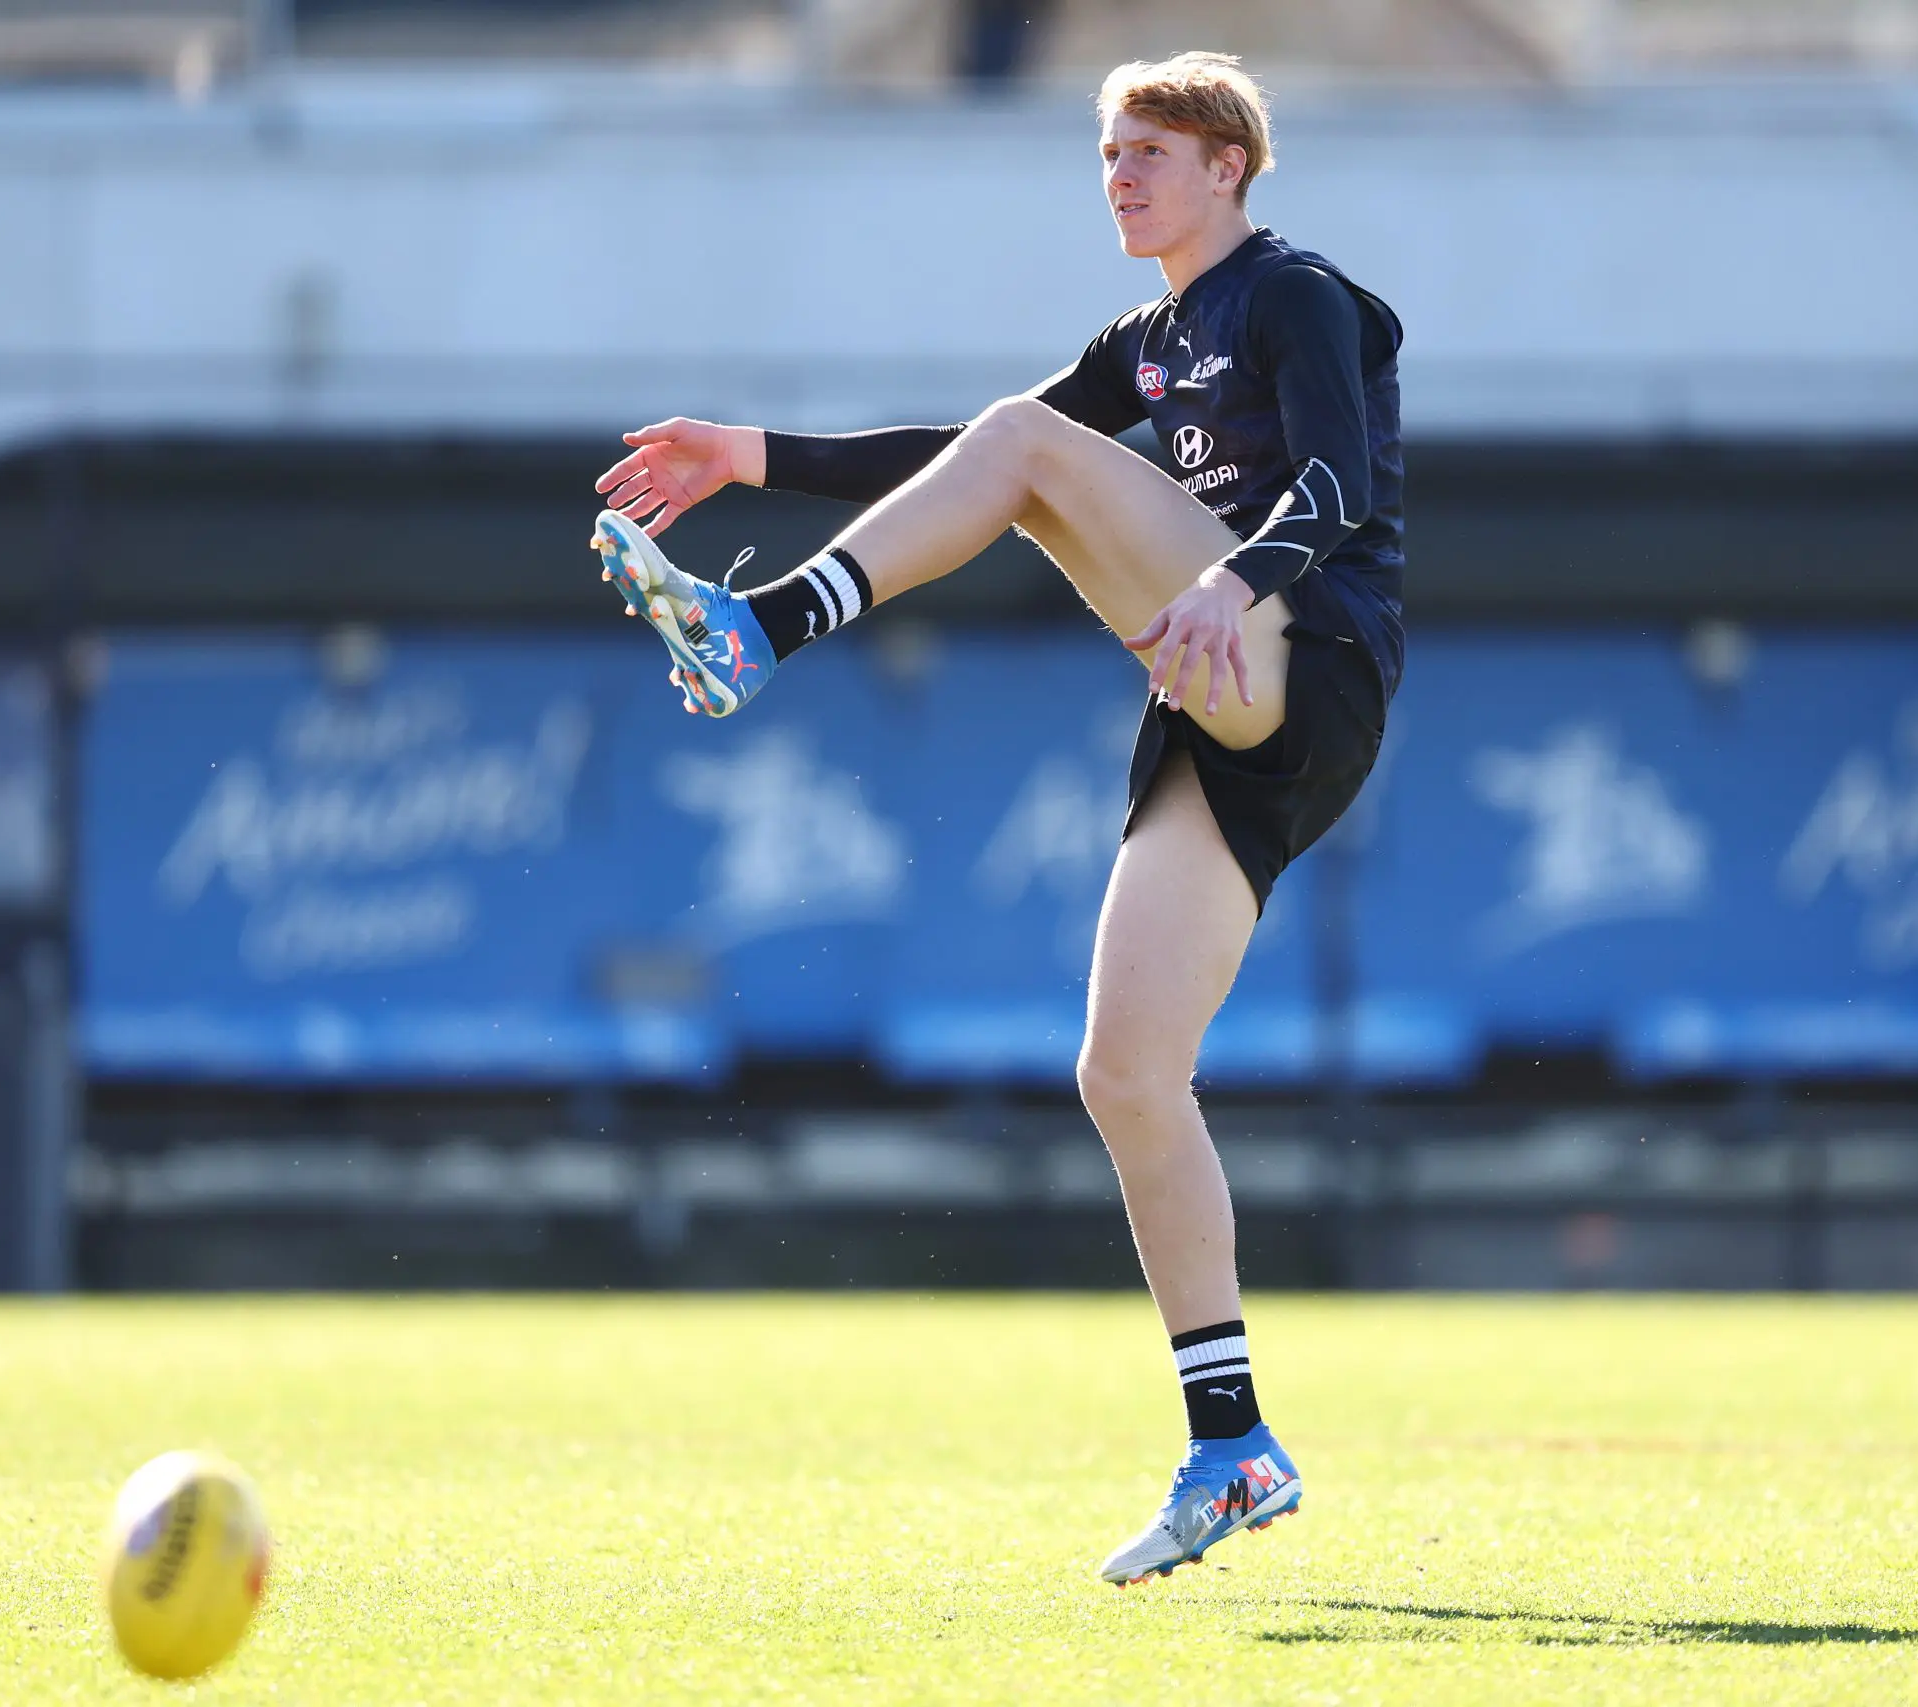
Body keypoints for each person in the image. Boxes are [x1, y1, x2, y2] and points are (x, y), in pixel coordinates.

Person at [589, 50, 1404, 1587]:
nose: (1121, 173)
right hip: (1221, 694)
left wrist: (1232, 581)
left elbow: (1342, 491)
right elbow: (973, 464)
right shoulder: (1142, 342)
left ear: (1232, 166)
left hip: (1304, 650)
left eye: (1154, 148)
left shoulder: (1292, 294)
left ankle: (759, 632)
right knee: (1126, 1072)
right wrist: (744, 454)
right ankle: (1234, 1445)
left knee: (1030, 452)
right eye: (1108, 150)